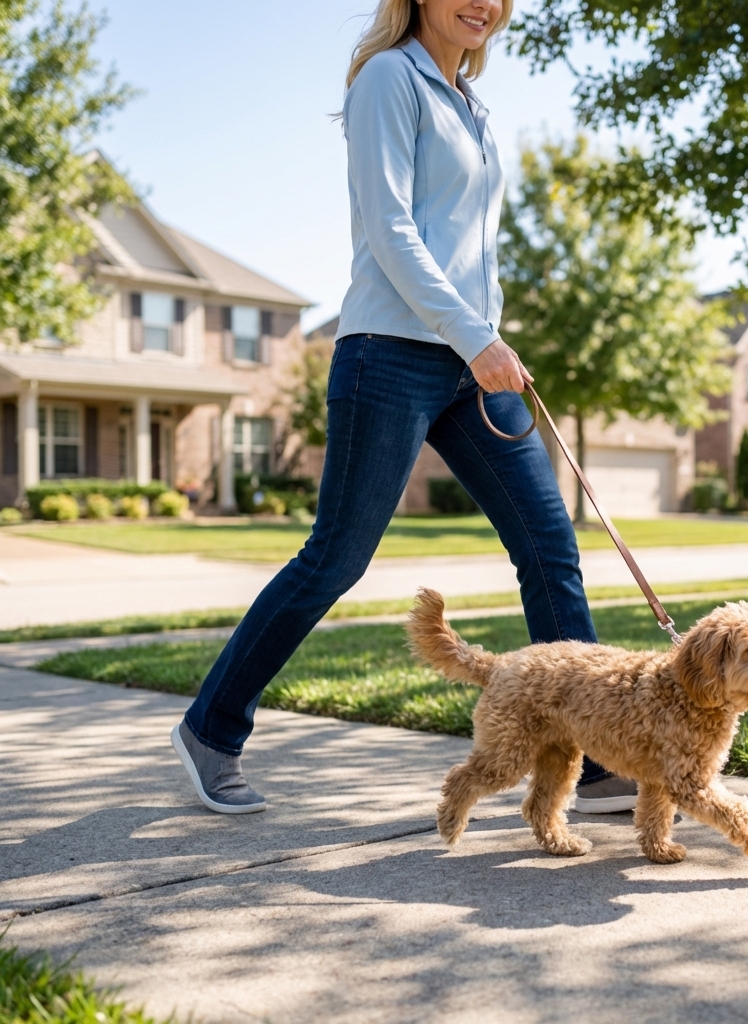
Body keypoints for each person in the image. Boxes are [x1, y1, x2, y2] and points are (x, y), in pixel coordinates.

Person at [170, 0, 637, 816]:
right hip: (388, 354)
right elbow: (390, 229)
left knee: (548, 543)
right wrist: (473, 333)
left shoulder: (473, 107)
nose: (482, 4)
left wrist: (485, 337)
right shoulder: (391, 78)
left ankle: (594, 757)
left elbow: (464, 245)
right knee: (335, 559)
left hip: (468, 363)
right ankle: (212, 728)